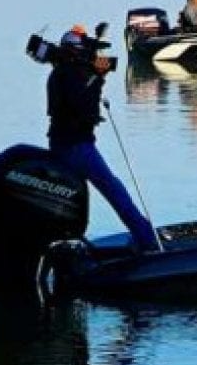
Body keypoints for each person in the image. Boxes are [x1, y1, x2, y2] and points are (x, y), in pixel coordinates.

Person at [47, 25, 159, 253]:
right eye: (89, 51)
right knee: (114, 188)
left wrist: (94, 77)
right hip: (76, 146)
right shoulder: (70, 75)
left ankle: (73, 246)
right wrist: (97, 78)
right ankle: (147, 240)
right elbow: (83, 108)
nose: (94, 56)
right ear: (76, 51)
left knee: (81, 198)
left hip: (64, 144)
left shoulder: (61, 72)